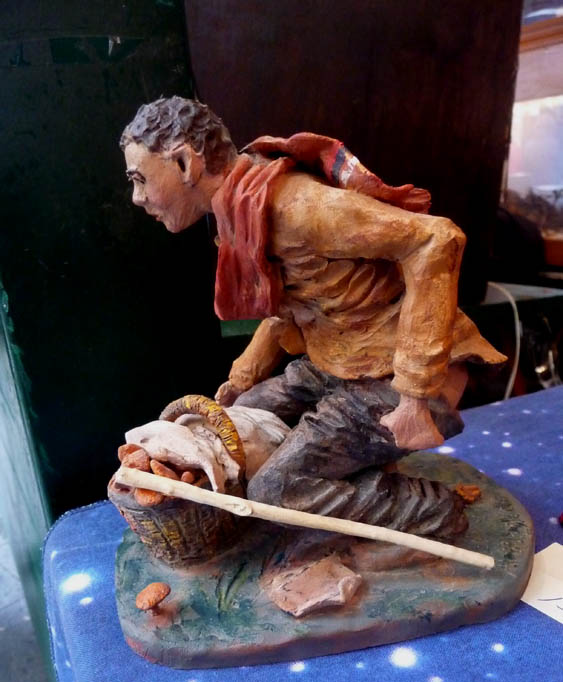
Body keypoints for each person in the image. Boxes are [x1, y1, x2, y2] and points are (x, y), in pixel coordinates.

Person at [121, 96, 506, 539]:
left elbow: (436, 239)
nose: (138, 197)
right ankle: (341, 483)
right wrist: (243, 377)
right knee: (237, 423)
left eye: (140, 179)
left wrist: (415, 394)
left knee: (273, 489)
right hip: (338, 362)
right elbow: (289, 303)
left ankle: (434, 511)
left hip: (397, 379)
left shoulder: (298, 207)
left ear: (185, 163)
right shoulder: (242, 209)